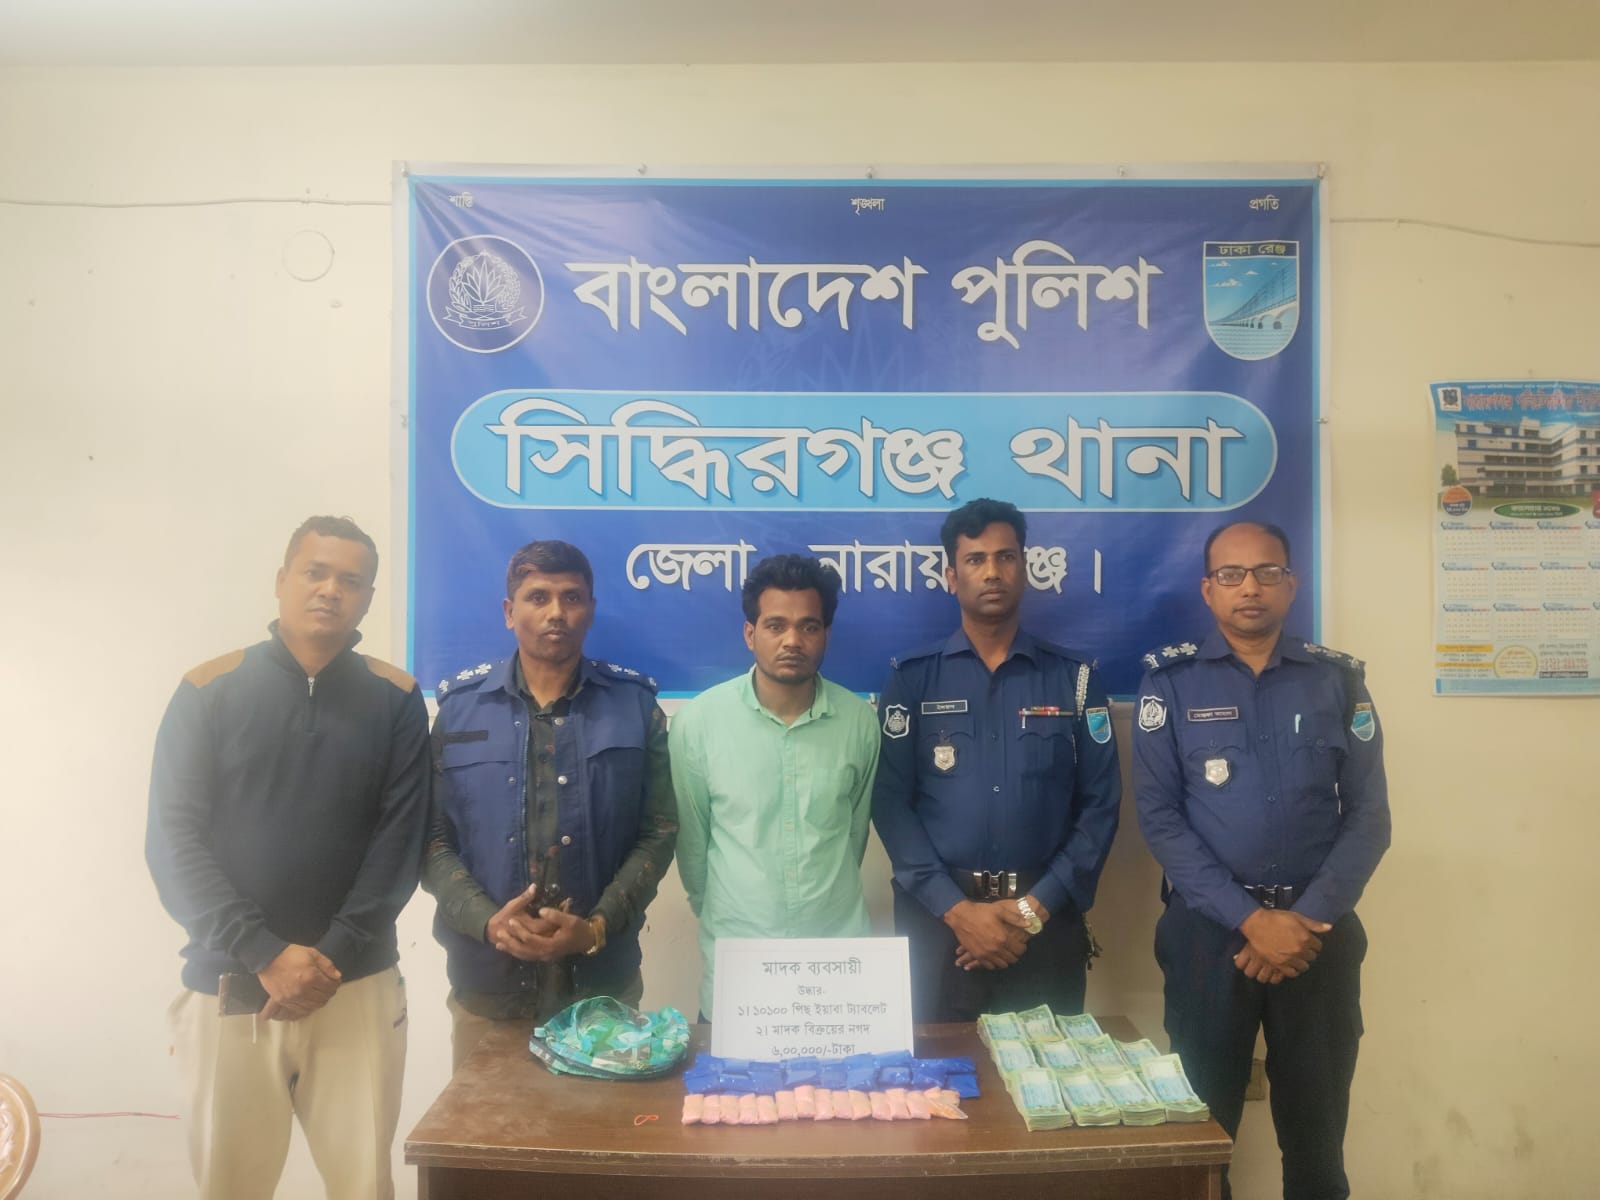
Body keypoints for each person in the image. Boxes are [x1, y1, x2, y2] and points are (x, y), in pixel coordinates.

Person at [146, 515, 430, 1200]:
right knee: (229, 1187)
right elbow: (173, 840)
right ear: (282, 581)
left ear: (367, 599)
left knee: (365, 1186)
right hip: (229, 987)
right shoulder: (208, 690)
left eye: (350, 581)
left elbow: (400, 843)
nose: (330, 590)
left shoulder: (395, 700)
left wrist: (330, 956)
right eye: (315, 572)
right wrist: (264, 952)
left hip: (355, 987)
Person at [1132, 521, 1390, 1200]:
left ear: (1290, 584)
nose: (1250, 587)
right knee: (1199, 1141)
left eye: (1267, 572)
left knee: (1317, 1142)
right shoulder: (1171, 682)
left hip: (1316, 940)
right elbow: (1160, 818)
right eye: (1232, 575)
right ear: (1208, 590)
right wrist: (1251, 921)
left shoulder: (1338, 681)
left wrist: (1303, 920)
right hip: (1208, 938)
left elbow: (1370, 816)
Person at [424, 539, 677, 1070]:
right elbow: (432, 838)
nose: (556, 612)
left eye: (571, 597)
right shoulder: (460, 711)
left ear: (591, 609)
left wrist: (597, 927)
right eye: (538, 597)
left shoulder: (633, 707)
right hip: (487, 986)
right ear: (509, 611)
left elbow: (658, 830)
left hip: (602, 986)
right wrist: (489, 922)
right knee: (485, 1126)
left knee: (600, 1124)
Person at [871, 498, 1121, 1023]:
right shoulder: (912, 679)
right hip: (938, 927)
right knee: (940, 1072)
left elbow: (1100, 805)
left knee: (1047, 1073)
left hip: (1045, 926)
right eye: (975, 559)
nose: (992, 572)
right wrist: (957, 911)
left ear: (1024, 569)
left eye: (1006, 557)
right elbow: (890, 803)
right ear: (951, 576)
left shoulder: (1073, 679)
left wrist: (1034, 908)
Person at [669, 554, 880, 1020]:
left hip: (836, 965)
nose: (792, 641)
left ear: (826, 634)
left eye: (809, 627)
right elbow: (693, 847)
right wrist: (724, 911)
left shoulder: (859, 722)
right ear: (750, 634)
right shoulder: (698, 724)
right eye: (775, 625)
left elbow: (854, 834)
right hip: (739, 967)